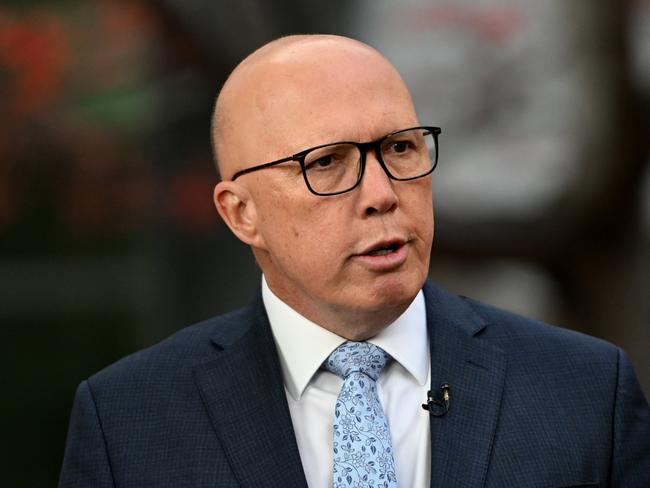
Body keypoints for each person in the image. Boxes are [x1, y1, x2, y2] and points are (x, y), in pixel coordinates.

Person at [59, 34, 650, 488]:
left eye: (399, 147)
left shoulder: (585, 391)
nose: (382, 193)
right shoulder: (129, 420)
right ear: (241, 213)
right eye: (326, 163)